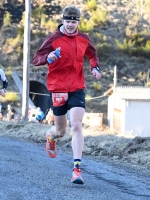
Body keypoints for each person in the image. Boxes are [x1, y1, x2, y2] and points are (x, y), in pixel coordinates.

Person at [32, 5, 101, 184]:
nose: (71, 25)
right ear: (63, 21)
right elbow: (36, 58)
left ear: (78, 22)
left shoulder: (84, 39)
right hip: (58, 87)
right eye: (68, 21)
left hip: (77, 87)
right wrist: (48, 58)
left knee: (76, 125)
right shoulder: (53, 39)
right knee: (61, 131)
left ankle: (77, 169)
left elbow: (93, 55)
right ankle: (50, 136)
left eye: (74, 22)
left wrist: (95, 68)